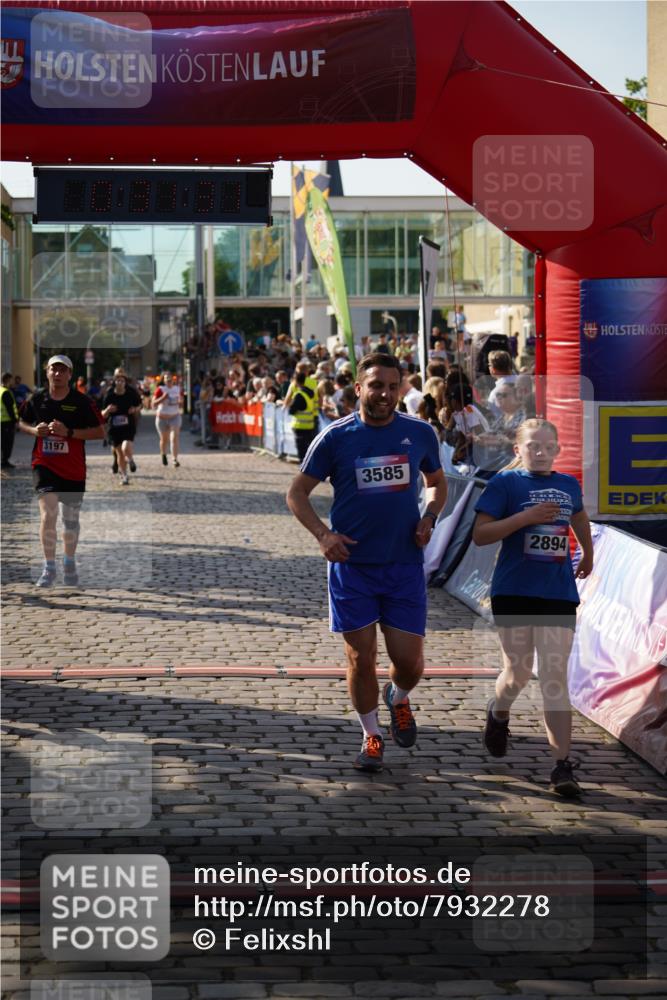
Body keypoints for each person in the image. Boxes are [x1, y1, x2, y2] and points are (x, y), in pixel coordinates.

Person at [287, 353, 447, 773]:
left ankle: (398, 696)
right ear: (358, 388)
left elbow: (436, 483)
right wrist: (324, 535)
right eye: (376, 385)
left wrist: (429, 517)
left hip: (403, 565)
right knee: (361, 657)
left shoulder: (420, 433)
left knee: (410, 662)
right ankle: (371, 734)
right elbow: (296, 494)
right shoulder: (336, 437)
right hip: (352, 567)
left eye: (393, 386)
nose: (385, 394)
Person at [472, 418, 594, 797]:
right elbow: (480, 535)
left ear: (558, 450)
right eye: (532, 447)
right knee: (519, 672)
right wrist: (524, 518)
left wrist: (588, 551)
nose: (540, 453)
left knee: (555, 678)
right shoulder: (505, 484)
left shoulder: (568, 484)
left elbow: (579, 516)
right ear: (518, 450)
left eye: (547, 447)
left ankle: (561, 765)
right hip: (515, 590)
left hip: (557, 592)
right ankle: (499, 710)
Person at [17, 355, 105, 588]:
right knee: (48, 514)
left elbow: (100, 432)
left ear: (69, 374)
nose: (57, 374)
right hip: (44, 464)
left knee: (70, 520)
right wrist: (35, 431)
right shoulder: (36, 399)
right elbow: (21, 422)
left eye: (62, 370)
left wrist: (69, 432)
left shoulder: (82, 402)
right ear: (46, 372)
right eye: (53, 370)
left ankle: (69, 561)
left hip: (73, 469)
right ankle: (49, 567)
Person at [101, 372, 142, 484]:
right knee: (119, 453)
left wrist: (134, 410)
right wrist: (108, 410)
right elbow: (102, 414)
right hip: (114, 429)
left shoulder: (130, 393)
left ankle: (130, 460)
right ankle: (124, 476)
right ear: (114, 382)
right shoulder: (110, 395)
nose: (119, 382)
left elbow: (139, 405)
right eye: (117, 380)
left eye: (122, 381)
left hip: (128, 426)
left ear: (125, 383)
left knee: (125, 447)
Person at [287, 370, 319, 461]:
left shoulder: (299, 395)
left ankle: (304, 467)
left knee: (302, 450)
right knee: (309, 446)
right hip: (309, 425)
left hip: (300, 426)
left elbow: (292, 411)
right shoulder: (311, 393)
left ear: (296, 381)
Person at [152, 372, 182, 467]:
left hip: (175, 416)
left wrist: (181, 402)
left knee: (174, 438)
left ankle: (174, 459)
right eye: (166, 378)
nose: (168, 379)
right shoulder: (160, 390)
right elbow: (153, 404)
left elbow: (181, 402)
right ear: (163, 380)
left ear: (173, 379)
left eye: (170, 377)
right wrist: (162, 398)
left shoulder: (177, 389)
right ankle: (163, 454)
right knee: (164, 440)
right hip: (162, 418)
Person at [1, 372, 20, 468]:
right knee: (7, 442)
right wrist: (16, 421)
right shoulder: (6, 392)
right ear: (7, 380)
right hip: (6, 422)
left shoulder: (1, 390)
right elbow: (10, 409)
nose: (12, 382)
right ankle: (4, 461)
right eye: (11, 380)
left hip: (2, 421)